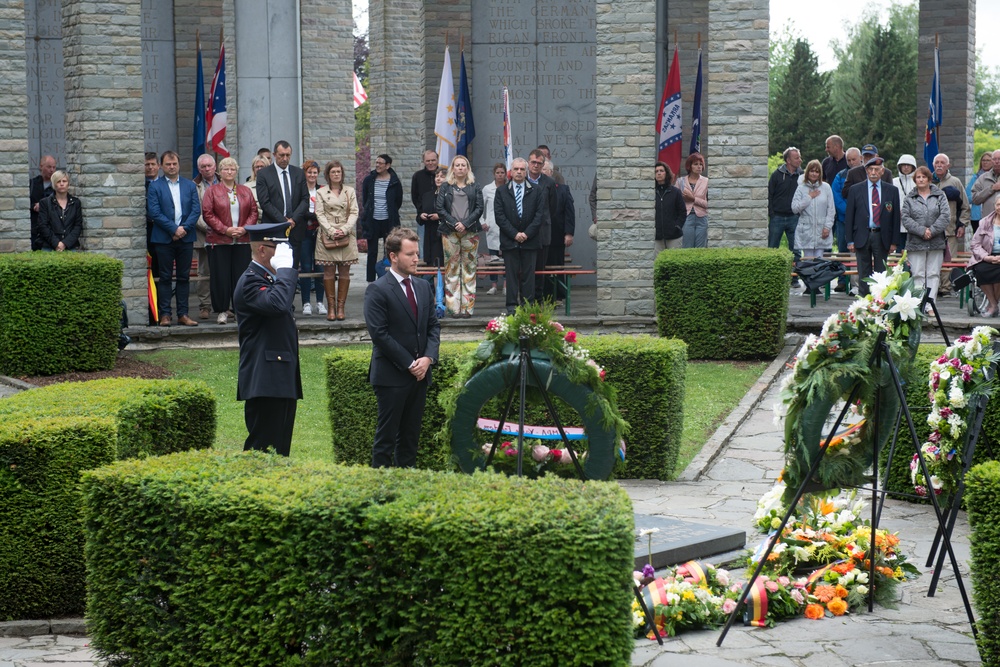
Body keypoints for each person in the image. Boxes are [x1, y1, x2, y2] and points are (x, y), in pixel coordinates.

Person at [363, 226, 441, 468]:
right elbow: (380, 334)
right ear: (393, 256)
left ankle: (406, 488)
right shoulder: (377, 289)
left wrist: (428, 359)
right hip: (391, 377)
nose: (416, 259)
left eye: (417, 253)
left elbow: (433, 327)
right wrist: (410, 364)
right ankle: (381, 490)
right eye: (410, 254)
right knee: (386, 440)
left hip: (419, 377)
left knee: (410, 439)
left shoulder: (422, 287)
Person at [234, 222, 301, 456]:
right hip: (265, 379)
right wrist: (284, 271)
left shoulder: (268, 279)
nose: (283, 254)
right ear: (262, 250)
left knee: (280, 450)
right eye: (277, 247)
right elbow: (278, 304)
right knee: (262, 450)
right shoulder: (251, 281)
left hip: (279, 376)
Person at [201, 156, 258, 325]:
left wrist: (244, 228)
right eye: (226, 169)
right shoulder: (212, 191)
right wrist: (225, 230)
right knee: (220, 277)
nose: (229, 172)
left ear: (237, 171)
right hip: (219, 241)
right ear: (220, 172)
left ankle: (240, 310)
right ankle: (221, 311)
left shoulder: (245, 191)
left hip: (242, 240)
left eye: (232, 169)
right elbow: (207, 214)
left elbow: (253, 212)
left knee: (241, 277)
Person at [147, 150, 201, 327]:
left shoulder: (190, 185)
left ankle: (183, 314)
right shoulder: (155, 186)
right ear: (162, 166)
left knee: (183, 277)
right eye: (168, 164)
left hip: (185, 238)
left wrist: (184, 229)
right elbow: (154, 212)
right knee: (164, 277)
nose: (171, 167)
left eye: (174, 164)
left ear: (179, 165)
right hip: (163, 238)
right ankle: (165, 315)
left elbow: (195, 210)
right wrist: (173, 229)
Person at [255, 140, 310, 289]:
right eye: (281, 155)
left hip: (295, 229)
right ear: (274, 155)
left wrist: (293, 220)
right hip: (274, 229)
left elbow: (305, 200)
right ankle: (273, 302)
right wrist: (283, 221)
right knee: (272, 268)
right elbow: (264, 202)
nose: (284, 158)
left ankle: (288, 305)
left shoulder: (298, 173)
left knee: (292, 270)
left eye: (288, 155)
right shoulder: (264, 174)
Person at [844, 156, 901, 296]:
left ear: (882, 171)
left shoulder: (892, 190)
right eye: (871, 169)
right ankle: (864, 302)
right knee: (864, 272)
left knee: (881, 273)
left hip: (882, 236)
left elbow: (895, 218)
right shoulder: (855, 189)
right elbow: (849, 216)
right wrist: (850, 240)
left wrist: (894, 241)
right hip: (862, 235)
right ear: (866, 171)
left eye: (877, 169)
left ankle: (879, 302)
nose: (874, 172)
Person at [436, 155, 484, 318]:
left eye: (463, 165)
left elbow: (479, 208)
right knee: (452, 269)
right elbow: (440, 208)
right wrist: (455, 223)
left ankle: (467, 308)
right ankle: (454, 309)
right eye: (457, 165)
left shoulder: (475, 186)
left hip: (470, 233)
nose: (460, 168)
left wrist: (465, 223)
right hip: (450, 232)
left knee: (469, 270)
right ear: (453, 169)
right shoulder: (445, 187)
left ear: (468, 168)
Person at [494, 157, 545, 313]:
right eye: (516, 169)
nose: (519, 172)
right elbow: (499, 216)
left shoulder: (536, 190)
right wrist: (515, 234)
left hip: (530, 241)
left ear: (526, 171)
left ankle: (527, 307)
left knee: (529, 276)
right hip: (510, 241)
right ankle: (511, 307)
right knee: (511, 276)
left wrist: (526, 234)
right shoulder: (502, 191)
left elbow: (539, 215)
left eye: (522, 169)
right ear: (511, 171)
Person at [314, 160, 360, 321]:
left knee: (345, 272)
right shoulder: (321, 192)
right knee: (328, 272)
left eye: (338, 172)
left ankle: (341, 307)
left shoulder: (349, 191)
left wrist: (345, 229)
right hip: (327, 235)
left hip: (346, 233)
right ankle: (331, 308)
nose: (336, 174)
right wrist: (332, 231)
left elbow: (354, 212)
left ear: (342, 174)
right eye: (333, 172)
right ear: (328, 175)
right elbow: (319, 214)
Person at [901, 166, 949, 313]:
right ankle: (919, 303)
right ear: (915, 180)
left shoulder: (939, 195)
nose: (921, 179)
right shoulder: (909, 197)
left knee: (933, 273)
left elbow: (945, 216)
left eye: (923, 177)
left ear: (929, 179)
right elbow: (905, 218)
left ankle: (930, 305)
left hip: (936, 241)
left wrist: (932, 231)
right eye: (918, 177)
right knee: (917, 273)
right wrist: (922, 231)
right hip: (916, 241)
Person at [360, 154, 403, 282]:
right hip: (372, 221)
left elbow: (398, 201)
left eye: (381, 163)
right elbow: (365, 200)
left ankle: (388, 279)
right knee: (372, 252)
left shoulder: (394, 181)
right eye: (376, 162)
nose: (377, 165)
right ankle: (371, 281)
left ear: (388, 165)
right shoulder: (369, 180)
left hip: (389, 221)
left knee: (390, 250)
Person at [932, 153, 970, 297]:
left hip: (950, 230)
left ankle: (945, 289)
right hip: (931, 231)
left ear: (948, 166)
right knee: (933, 261)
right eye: (937, 163)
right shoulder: (927, 180)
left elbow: (965, 206)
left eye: (942, 162)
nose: (939, 165)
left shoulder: (955, 182)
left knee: (949, 261)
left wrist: (962, 225)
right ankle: (933, 288)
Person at [526, 148, 557, 301]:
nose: (536, 165)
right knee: (524, 270)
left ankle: (538, 303)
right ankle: (524, 301)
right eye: (533, 162)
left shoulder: (549, 182)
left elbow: (553, 207)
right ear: (528, 163)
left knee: (540, 271)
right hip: (523, 233)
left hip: (542, 233)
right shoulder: (520, 179)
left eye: (539, 163)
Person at [542, 159, 574, 300]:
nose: (542, 171)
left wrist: (569, 233)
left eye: (544, 169)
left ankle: (558, 295)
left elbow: (569, 212)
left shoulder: (563, 189)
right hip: (539, 236)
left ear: (551, 172)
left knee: (556, 266)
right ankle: (542, 296)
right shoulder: (533, 188)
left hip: (557, 235)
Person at [832, 147, 862, 293]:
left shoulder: (868, 173)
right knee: (843, 250)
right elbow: (837, 197)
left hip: (862, 221)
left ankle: (858, 283)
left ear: (860, 158)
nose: (851, 162)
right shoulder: (840, 175)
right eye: (848, 160)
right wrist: (850, 211)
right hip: (843, 220)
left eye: (854, 159)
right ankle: (842, 280)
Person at [791, 159, 834, 263]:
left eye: (817, 171)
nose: (814, 174)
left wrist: (827, 227)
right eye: (812, 171)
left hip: (822, 229)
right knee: (808, 262)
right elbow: (794, 208)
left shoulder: (826, 187)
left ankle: (820, 280)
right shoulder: (801, 188)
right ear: (807, 172)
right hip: (806, 230)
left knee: (820, 261)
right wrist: (808, 197)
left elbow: (831, 209)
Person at [297, 159, 326, 317]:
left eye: (315, 172)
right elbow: (299, 209)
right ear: (305, 173)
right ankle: (306, 302)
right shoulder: (300, 190)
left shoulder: (322, 190)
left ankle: (320, 302)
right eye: (309, 172)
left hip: (320, 233)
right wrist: (312, 215)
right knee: (306, 267)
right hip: (304, 232)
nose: (312, 175)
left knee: (320, 267)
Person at [193, 154, 219, 319]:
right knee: (204, 272)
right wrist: (210, 227)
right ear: (199, 169)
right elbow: (194, 211)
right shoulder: (194, 186)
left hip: (225, 235)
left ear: (215, 166)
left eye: (209, 165)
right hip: (204, 235)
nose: (207, 169)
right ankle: (205, 306)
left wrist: (223, 228)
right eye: (203, 166)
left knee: (224, 272)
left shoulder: (226, 181)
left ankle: (225, 305)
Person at [967, 196, 1000, 317]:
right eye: (998, 205)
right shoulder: (985, 222)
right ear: (994, 206)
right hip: (987, 256)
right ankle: (994, 304)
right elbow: (975, 244)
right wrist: (987, 257)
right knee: (981, 270)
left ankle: (992, 305)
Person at [768, 147, 801, 268]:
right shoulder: (776, 175)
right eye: (796, 158)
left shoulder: (802, 176)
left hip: (794, 218)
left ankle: (795, 278)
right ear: (788, 160)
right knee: (772, 248)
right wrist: (772, 214)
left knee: (796, 250)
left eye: (799, 157)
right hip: (777, 217)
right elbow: (769, 194)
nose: (800, 160)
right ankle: (771, 276)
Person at [36, 170, 84, 251]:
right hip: (49, 247)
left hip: (70, 247)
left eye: (64, 181)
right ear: (54, 184)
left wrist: (65, 243)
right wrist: (56, 243)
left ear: (68, 183)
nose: (62, 184)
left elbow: (77, 226)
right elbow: (43, 225)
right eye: (58, 181)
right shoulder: (45, 203)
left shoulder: (75, 203)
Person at [480, 162, 507, 295]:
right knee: (493, 258)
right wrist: (483, 222)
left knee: (507, 257)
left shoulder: (509, 187)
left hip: (507, 227)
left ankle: (506, 285)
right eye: (498, 173)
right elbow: (480, 207)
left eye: (502, 172)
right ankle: (494, 285)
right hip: (492, 226)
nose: (500, 175)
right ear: (494, 174)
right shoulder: (487, 189)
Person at [416, 167, 446, 270]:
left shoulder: (451, 195)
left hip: (445, 233)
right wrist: (421, 216)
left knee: (443, 264)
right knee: (432, 264)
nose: (438, 179)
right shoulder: (427, 195)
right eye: (437, 176)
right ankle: (434, 286)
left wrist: (439, 216)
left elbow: (454, 213)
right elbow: (419, 213)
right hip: (430, 233)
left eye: (442, 177)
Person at [411, 150, 439, 254]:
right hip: (424, 218)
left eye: (433, 160)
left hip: (441, 218)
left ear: (437, 160)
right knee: (423, 248)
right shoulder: (418, 176)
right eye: (428, 161)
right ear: (424, 161)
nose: (430, 163)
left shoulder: (444, 175)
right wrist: (421, 212)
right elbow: (415, 196)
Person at [654, 161, 686, 251]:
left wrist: (677, 226)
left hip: (674, 236)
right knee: (658, 263)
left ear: (666, 173)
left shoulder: (675, 192)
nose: (659, 173)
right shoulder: (651, 192)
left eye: (661, 171)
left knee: (674, 263)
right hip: (657, 237)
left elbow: (682, 212)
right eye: (656, 171)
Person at [679, 153, 709, 248]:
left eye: (701, 164)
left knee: (700, 249)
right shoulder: (680, 182)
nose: (699, 166)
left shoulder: (706, 181)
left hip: (702, 218)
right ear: (689, 166)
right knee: (687, 248)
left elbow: (709, 204)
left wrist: (693, 199)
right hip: (687, 218)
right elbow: (677, 203)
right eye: (696, 164)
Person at [29, 155, 57, 251]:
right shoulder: (32, 183)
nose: (52, 170)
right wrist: (34, 206)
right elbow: (22, 203)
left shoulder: (58, 186)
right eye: (49, 167)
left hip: (52, 230)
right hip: (34, 229)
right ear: (41, 166)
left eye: (54, 167)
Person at [893, 154, 918, 250]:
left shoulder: (918, 182)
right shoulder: (894, 182)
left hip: (913, 223)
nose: (906, 167)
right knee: (899, 252)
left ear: (913, 167)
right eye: (904, 165)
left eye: (909, 165)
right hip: (898, 223)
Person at [971, 150, 1000, 229]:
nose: (997, 162)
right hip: (988, 224)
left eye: (999, 159)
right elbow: (975, 199)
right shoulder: (982, 178)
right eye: (994, 159)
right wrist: (991, 188)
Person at [967, 152, 994, 233]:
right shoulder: (975, 178)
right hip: (977, 217)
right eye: (983, 160)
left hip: (992, 216)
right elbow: (968, 197)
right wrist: (984, 194)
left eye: (988, 160)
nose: (985, 162)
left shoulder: (996, 178)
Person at [246, 154, 270, 219]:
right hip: (254, 223)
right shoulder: (246, 187)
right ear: (253, 169)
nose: (259, 169)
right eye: (257, 167)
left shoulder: (273, 184)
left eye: (262, 166)